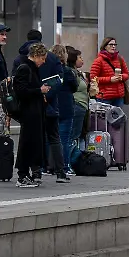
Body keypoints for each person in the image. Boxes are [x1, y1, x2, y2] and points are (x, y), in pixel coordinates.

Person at [12, 43, 51, 187]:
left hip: (34, 112)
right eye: (42, 58)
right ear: (35, 56)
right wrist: (39, 91)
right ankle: (22, 176)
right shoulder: (25, 68)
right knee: (27, 144)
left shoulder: (31, 68)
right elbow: (21, 91)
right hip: (29, 113)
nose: (44, 61)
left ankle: (27, 174)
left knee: (32, 144)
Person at [51, 44, 79, 175]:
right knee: (64, 140)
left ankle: (47, 166)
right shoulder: (67, 71)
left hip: (51, 107)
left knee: (49, 139)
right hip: (66, 107)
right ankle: (65, 167)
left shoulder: (48, 71)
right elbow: (74, 87)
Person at [66, 47, 90, 166]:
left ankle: (76, 161)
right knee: (72, 136)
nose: (82, 60)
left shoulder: (79, 73)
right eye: (79, 57)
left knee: (78, 135)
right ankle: (69, 163)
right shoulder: (71, 73)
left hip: (82, 106)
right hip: (76, 105)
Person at [89, 36, 129, 106]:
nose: (113, 47)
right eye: (111, 45)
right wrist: (110, 79)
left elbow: (127, 74)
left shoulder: (119, 59)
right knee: (104, 116)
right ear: (105, 46)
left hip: (118, 96)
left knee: (117, 116)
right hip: (104, 97)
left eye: (115, 45)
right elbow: (93, 78)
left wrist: (122, 77)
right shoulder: (99, 61)